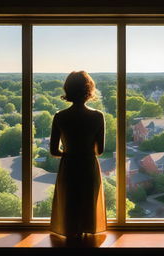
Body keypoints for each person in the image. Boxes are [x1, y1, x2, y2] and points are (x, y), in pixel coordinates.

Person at [50, 71, 106, 238]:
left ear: (68, 90)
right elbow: (100, 151)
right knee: (87, 203)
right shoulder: (97, 116)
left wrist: (68, 153)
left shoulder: (60, 117)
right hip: (88, 165)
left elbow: (54, 151)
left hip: (69, 165)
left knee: (70, 203)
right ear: (89, 91)